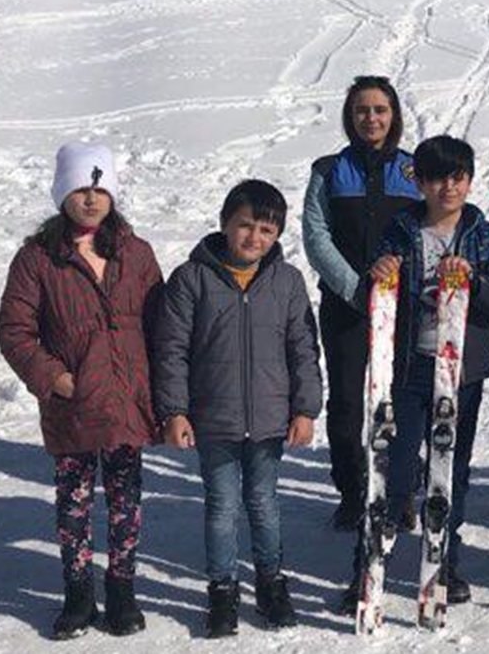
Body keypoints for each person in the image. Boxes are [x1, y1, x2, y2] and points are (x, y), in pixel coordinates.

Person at [339, 135, 489, 610]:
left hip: (461, 372)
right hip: (408, 368)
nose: (448, 187)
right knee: (393, 471)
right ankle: (367, 565)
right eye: (437, 178)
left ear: (469, 180)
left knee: (450, 470)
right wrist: (379, 273)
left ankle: (446, 563)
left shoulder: (480, 231)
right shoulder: (402, 228)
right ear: (418, 181)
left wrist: (475, 282)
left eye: (457, 177)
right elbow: (372, 286)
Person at [0, 142, 163, 639]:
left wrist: (161, 384)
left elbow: (161, 323)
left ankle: (122, 591)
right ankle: (77, 593)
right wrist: (54, 378)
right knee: (74, 504)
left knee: (126, 501)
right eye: (80, 189)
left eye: (100, 188)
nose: (91, 199)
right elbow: (15, 330)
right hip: (72, 405)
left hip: (128, 401)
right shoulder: (37, 259)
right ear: (62, 194)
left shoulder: (136, 252)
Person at [154, 179, 323, 637]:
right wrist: (175, 411)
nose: (254, 238)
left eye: (266, 230)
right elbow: (172, 351)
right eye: (245, 225)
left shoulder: (287, 282)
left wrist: (305, 409)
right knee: (222, 506)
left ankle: (271, 583)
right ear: (225, 224)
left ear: (277, 235)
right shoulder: (192, 279)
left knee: (264, 504)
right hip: (215, 420)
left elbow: (303, 348)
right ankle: (223, 590)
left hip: (271, 420)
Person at [302, 75, 422, 530]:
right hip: (347, 305)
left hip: (402, 306)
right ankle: (353, 492)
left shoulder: (413, 171)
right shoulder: (329, 171)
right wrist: (352, 288)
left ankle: (400, 491)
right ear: (350, 118)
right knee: (349, 403)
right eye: (362, 111)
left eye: (380, 110)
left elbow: (427, 229)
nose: (371, 118)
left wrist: (399, 277)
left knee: (403, 400)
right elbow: (316, 236)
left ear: (393, 116)